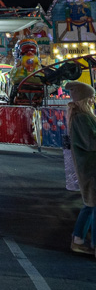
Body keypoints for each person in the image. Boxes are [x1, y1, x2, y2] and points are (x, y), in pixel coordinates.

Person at [66, 81, 96, 255]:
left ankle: (78, 239)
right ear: (84, 99)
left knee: (90, 205)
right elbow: (91, 142)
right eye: (91, 97)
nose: (93, 100)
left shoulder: (79, 116)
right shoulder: (83, 118)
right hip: (91, 169)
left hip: (88, 168)